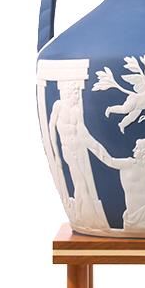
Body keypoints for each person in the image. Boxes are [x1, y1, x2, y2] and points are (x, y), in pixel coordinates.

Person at [48, 80, 108, 229]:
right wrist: (55, 153)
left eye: (77, 92)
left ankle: (84, 214)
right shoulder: (58, 105)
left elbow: (83, 132)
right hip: (68, 149)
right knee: (80, 181)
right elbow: (51, 128)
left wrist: (99, 150)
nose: (77, 95)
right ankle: (83, 215)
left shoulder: (76, 110)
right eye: (75, 93)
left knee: (84, 182)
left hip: (80, 148)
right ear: (68, 92)